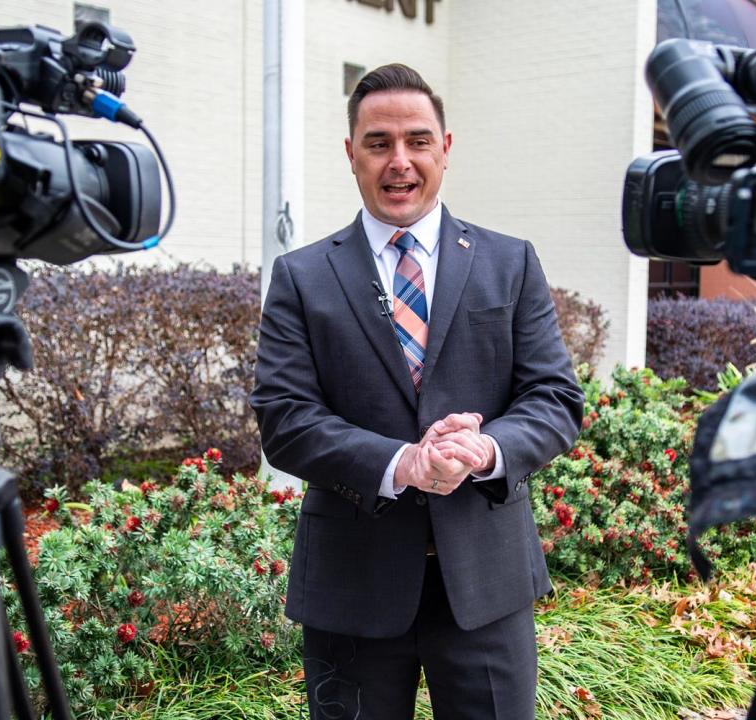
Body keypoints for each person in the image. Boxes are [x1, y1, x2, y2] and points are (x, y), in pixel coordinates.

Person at [249, 63, 584, 720]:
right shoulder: (301, 276)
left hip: (487, 583)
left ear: (445, 148)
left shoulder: (509, 262)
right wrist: (402, 463)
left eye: (416, 140)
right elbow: (284, 419)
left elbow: (554, 399)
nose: (398, 161)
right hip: (354, 584)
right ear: (351, 153)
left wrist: (484, 449)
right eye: (378, 143)